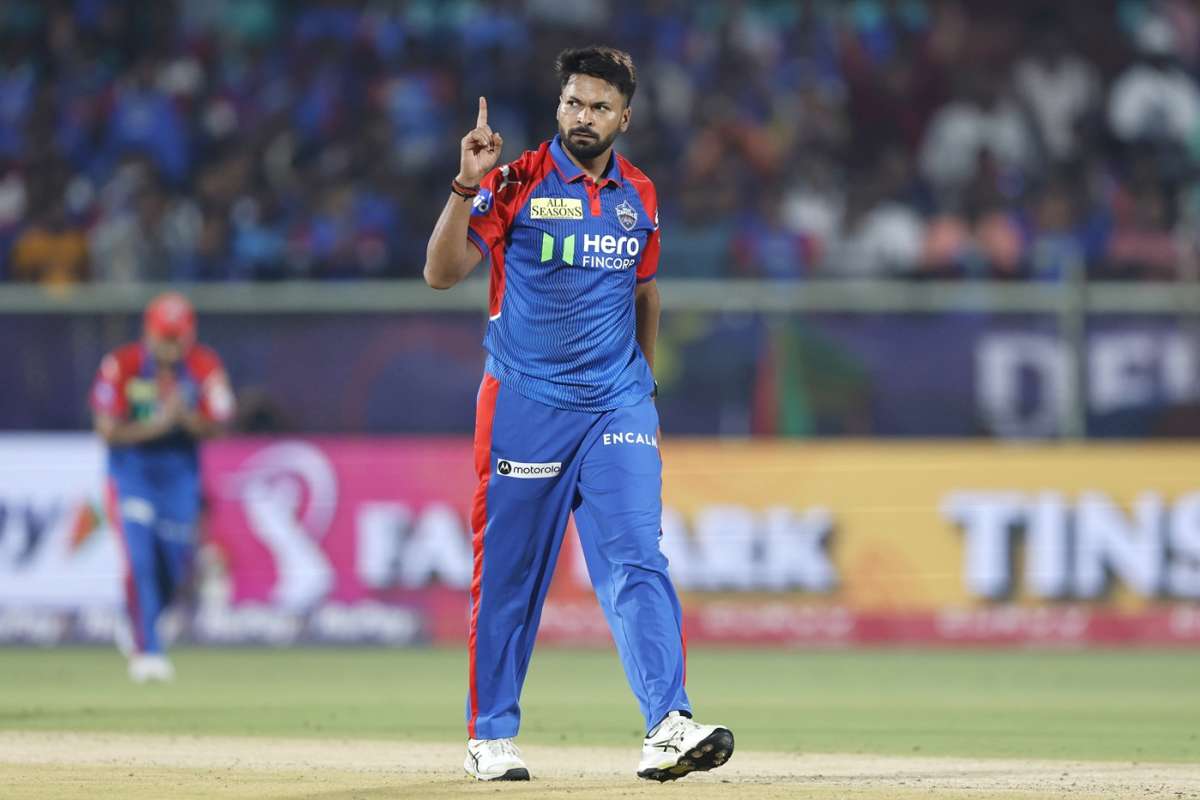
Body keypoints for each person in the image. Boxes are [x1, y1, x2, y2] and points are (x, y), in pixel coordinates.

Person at [423, 46, 734, 783]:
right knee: (511, 575)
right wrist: (465, 185)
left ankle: (668, 724)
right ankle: (490, 736)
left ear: (625, 117)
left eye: (599, 106)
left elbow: (645, 292)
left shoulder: (641, 194)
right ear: (558, 107)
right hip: (526, 403)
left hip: (617, 408)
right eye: (573, 103)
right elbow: (440, 273)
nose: (583, 116)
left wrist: (643, 389)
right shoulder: (515, 180)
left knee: (638, 559)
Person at [91, 292, 235, 682]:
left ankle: (142, 620)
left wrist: (184, 418)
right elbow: (107, 430)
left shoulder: (205, 367)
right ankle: (149, 650)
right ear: (149, 332)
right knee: (140, 559)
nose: (171, 346)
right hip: (132, 474)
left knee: (174, 562)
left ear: (190, 335)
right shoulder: (122, 365)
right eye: (164, 336)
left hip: (179, 478)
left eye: (177, 337)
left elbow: (219, 425)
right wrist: (158, 424)